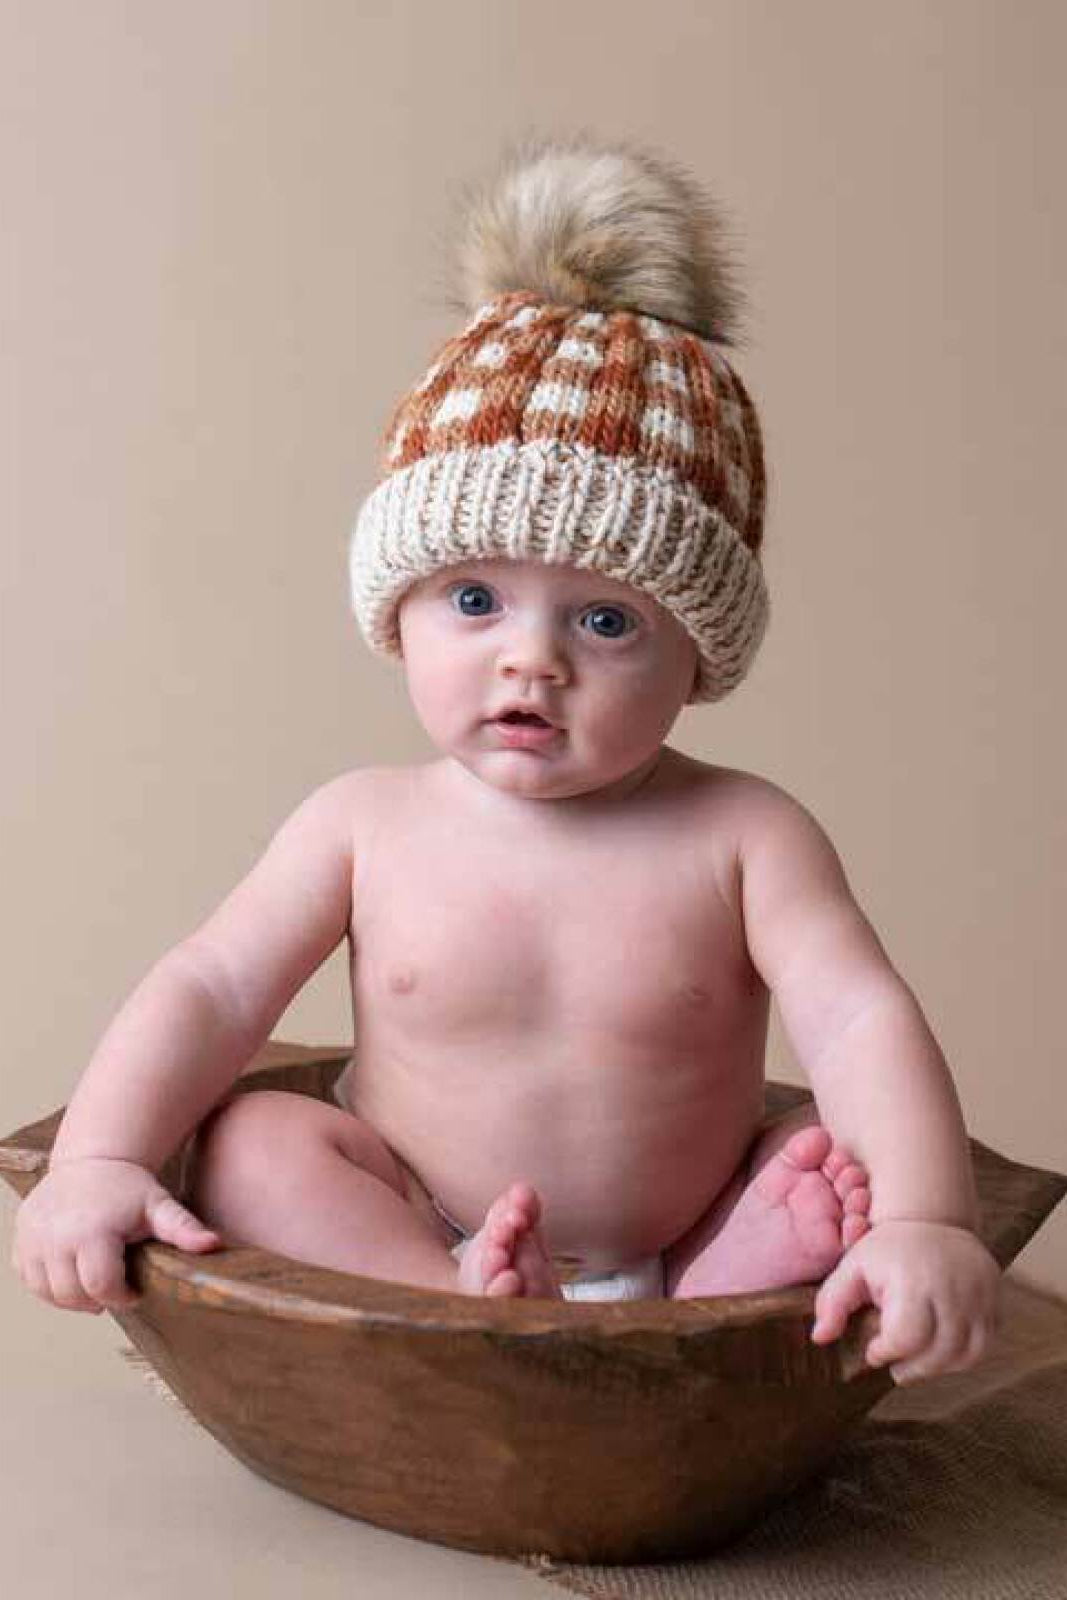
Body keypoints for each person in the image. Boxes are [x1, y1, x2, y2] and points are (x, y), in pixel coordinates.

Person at [11, 133, 999, 1384]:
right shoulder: (361, 822)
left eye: (604, 621)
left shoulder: (745, 837)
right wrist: (100, 1157)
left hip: (671, 1230)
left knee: (826, 1163)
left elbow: (857, 1020)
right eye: (473, 600)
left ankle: (704, 1288)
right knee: (258, 1137)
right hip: (407, 1229)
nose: (530, 663)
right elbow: (210, 989)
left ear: (697, 655)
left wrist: (924, 1218)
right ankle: (474, 1307)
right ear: (397, 613)